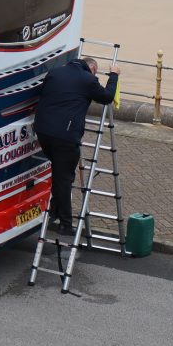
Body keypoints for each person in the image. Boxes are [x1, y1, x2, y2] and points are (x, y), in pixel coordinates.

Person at [34, 56, 120, 236]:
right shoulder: (88, 79)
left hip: (43, 131)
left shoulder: (55, 72)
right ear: (92, 69)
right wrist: (114, 76)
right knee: (64, 179)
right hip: (65, 135)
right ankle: (65, 224)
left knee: (59, 173)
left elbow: (42, 93)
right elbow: (106, 97)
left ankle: (55, 211)